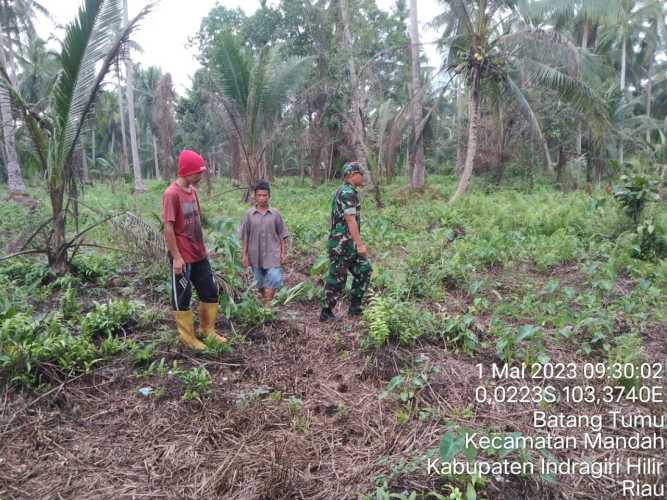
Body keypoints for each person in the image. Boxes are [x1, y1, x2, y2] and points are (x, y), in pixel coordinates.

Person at [163, 149, 227, 351]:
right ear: (187, 172)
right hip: (183, 257)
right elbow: (169, 228)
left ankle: (207, 331)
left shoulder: (192, 192)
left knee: (210, 290)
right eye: (198, 173)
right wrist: (177, 257)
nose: (201, 176)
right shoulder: (171, 194)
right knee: (182, 296)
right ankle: (187, 337)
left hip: (199, 253)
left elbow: (197, 220)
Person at [320, 161, 372, 321]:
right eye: (360, 174)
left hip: (349, 244)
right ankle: (326, 312)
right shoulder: (347, 193)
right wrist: (360, 244)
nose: (362, 177)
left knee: (364, 269)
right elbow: (350, 220)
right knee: (337, 278)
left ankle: (355, 308)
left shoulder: (349, 191)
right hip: (341, 245)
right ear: (351, 175)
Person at [240, 180, 289, 305]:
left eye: (264, 195)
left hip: (273, 253)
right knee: (259, 281)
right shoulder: (249, 215)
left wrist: (283, 253)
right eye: (259, 195)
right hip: (255, 254)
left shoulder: (275, 214)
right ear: (255, 196)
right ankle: (264, 298)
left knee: (274, 278)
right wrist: (244, 255)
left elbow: (282, 234)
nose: (262, 198)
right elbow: (245, 236)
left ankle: (268, 304)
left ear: (269, 196)